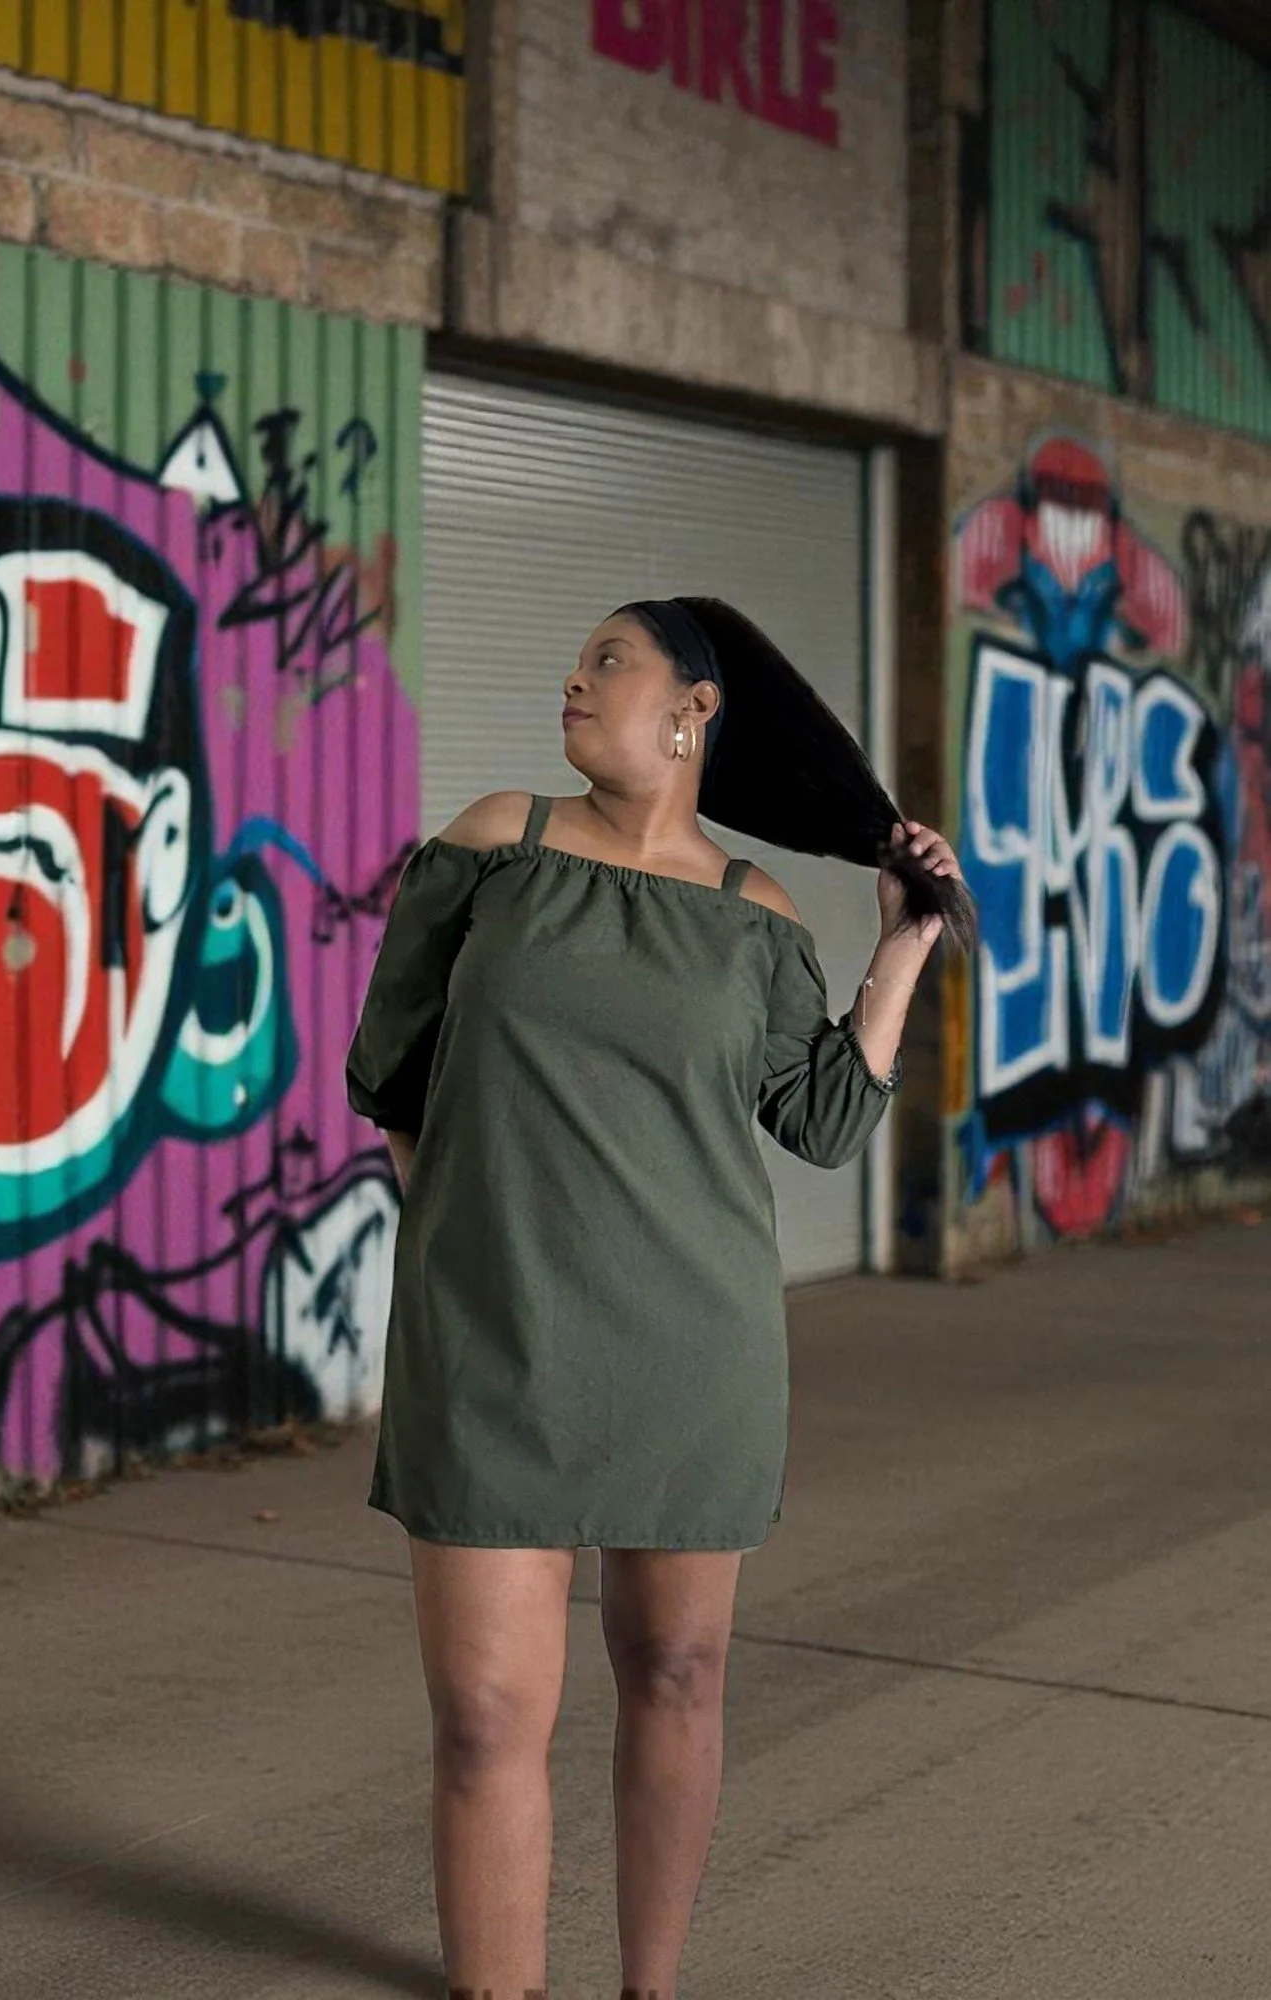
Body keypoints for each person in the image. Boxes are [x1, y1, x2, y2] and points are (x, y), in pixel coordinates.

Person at [346, 597, 972, 2000]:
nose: (572, 680)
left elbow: (819, 1120)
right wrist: (474, 1247)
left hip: (694, 1351)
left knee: (677, 1678)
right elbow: (391, 1075)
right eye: (575, 662)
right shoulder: (493, 843)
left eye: (607, 661)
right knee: (487, 1715)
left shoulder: (754, 911)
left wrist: (902, 943)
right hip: (494, 1345)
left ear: (693, 710)